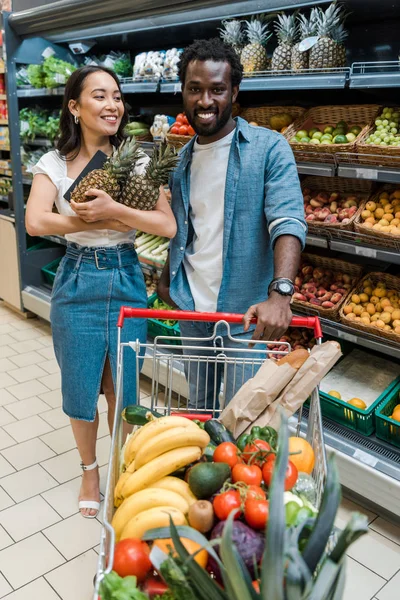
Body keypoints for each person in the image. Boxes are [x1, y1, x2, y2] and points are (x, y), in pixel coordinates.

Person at [26, 65, 176, 518]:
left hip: (126, 276)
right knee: (80, 386)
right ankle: (89, 469)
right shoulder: (54, 163)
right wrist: (99, 219)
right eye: (99, 96)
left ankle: (120, 469)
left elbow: (166, 225)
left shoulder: (140, 160)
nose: (112, 105)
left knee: (122, 387)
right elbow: (36, 221)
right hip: (76, 279)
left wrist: (116, 211)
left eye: (116, 96)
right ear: (75, 107)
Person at [158, 39, 306, 410]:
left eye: (217, 89)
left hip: (246, 314)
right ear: (184, 93)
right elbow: (185, 229)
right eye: (195, 89)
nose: (205, 101)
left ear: (234, 91)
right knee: (199, 410)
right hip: (192, 309)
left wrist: (280, 294)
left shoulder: (268, 147)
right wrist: (166, 276)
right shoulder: (180, 161)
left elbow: (288, 219)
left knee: (243, 412)